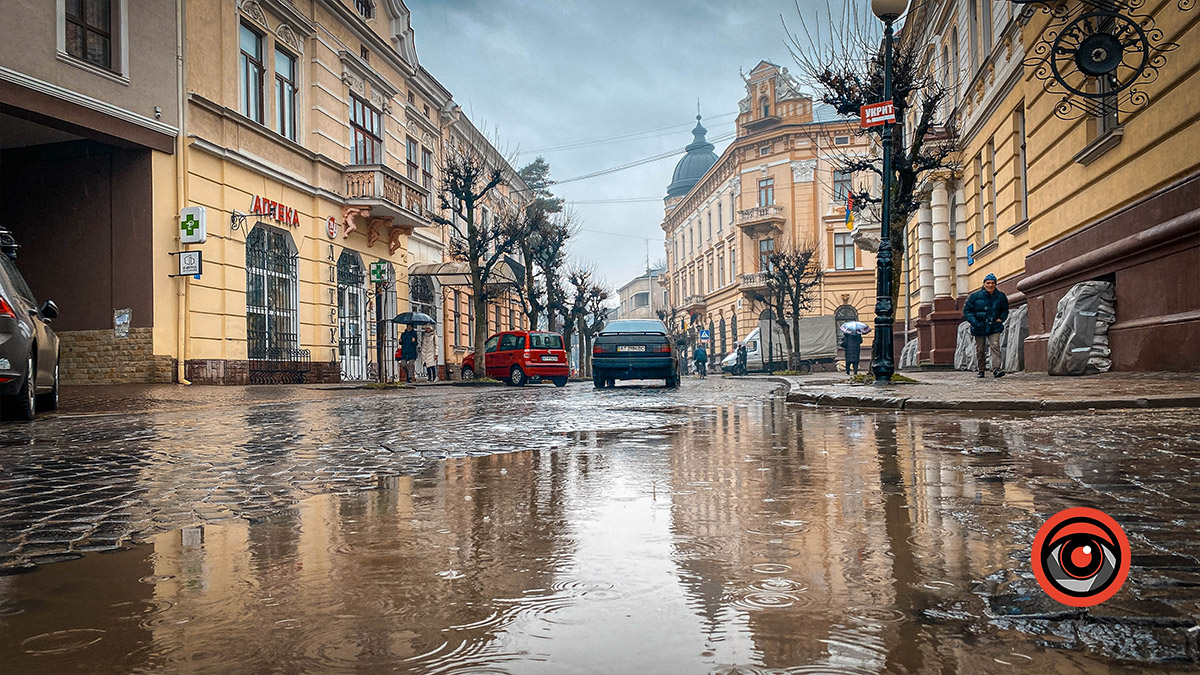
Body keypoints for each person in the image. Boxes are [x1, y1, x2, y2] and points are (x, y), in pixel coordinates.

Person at [963, 272, 1009, 378]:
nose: (990, 285)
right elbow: (967, 311)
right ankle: (981, 369)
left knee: (995, 346)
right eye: (988, 283)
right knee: (980, 349)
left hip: (994, 326)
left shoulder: (1000, 296)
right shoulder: (974, 296)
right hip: (979, 326)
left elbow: (1005, 310)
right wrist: (975, 322)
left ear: (995, 284)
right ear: (984, 284)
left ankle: (996, 369)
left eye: (993, 283)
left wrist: (1001, 319)